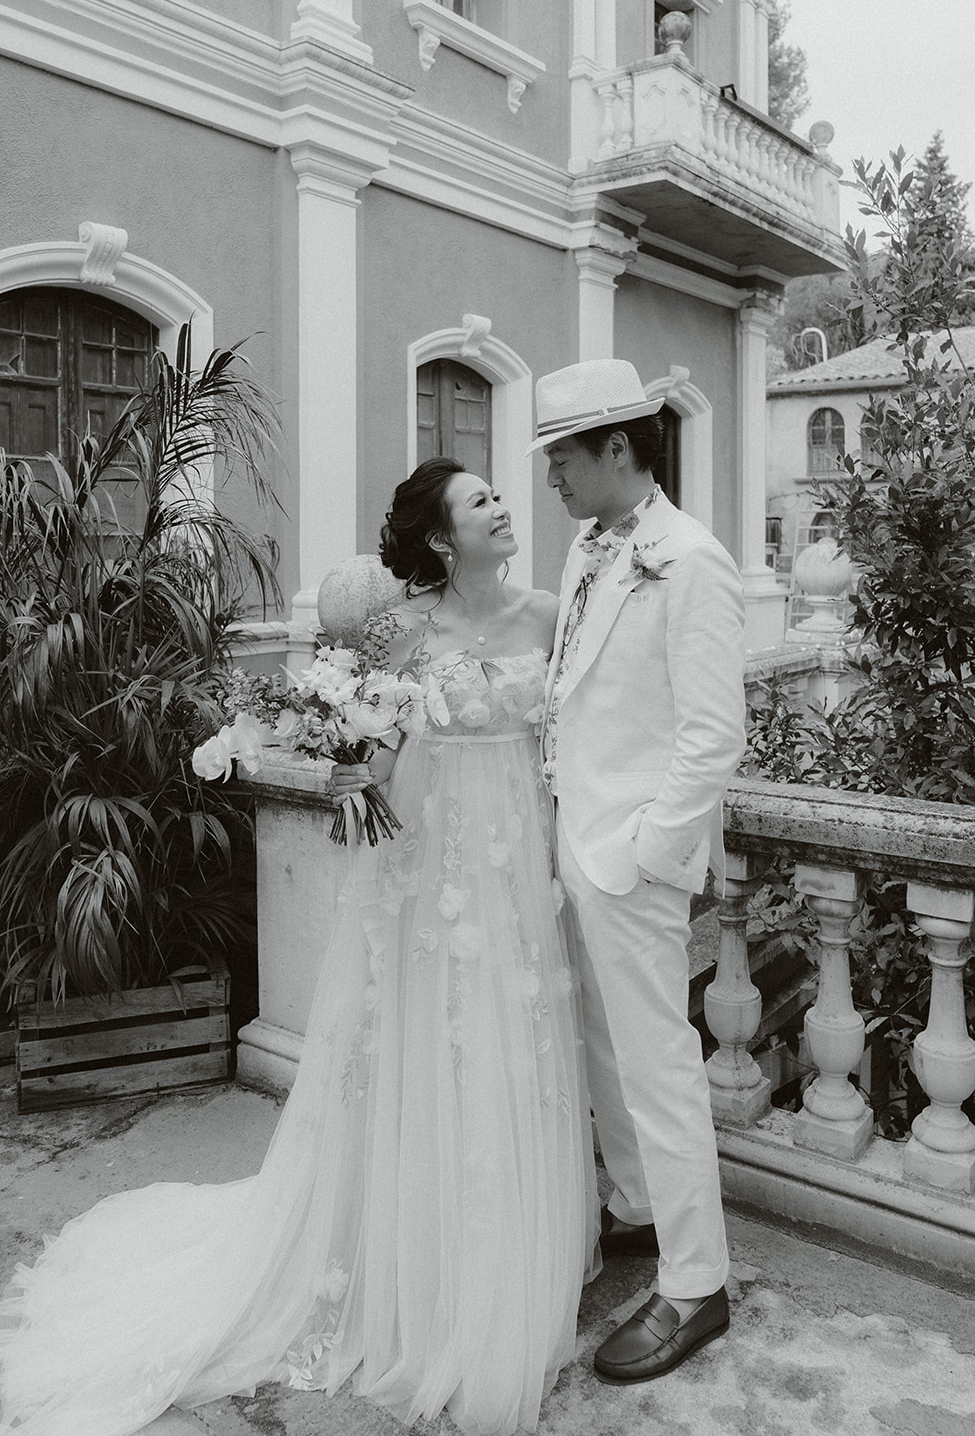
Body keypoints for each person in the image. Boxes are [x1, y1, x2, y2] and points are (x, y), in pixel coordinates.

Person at [0, 457, 597, 1436]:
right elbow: (378, 741)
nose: (500, 506)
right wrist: (354, 765)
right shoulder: (401, 626)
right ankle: (422, 1282)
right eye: (479, 500)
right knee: (430, 1057)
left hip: (515, 870)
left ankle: (508, 1264)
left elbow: (569, 738)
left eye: (496, 494)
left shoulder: (546, 614)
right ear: (444, 538)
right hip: (432, 866)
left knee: (510, 1052)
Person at [528, 358, 747, 1387]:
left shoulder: (691, 561)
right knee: (606, 1053)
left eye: (559, 456)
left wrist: (640, 860)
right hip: (578, 846)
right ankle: (637, 1208)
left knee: (658, 1068)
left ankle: (696, 1282)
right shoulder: (586, 548)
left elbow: (711, 739)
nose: (549, 478)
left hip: (631, 864)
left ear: (616, 447)